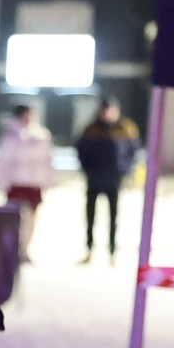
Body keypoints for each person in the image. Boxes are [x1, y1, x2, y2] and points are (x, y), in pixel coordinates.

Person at [74, 97, 140, 263]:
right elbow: (81, 152)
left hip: (114, 179)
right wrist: (89, 170)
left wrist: (124, 170)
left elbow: (133, 152)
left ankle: (112, 251)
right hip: (95, 178)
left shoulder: (126, 128)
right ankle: (89, 249)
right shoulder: (91, 129)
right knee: (91, 215)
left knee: (113, 216)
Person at [0, 104, 56, 262]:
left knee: (31, 218)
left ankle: (24, 249)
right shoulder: (11, 136)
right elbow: (3, 162)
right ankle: (13, 249)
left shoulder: (41, 135)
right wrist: (2, 182)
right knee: (16, 218)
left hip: (34, 183)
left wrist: (49, 180)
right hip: (16, 183)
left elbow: (47, 160)